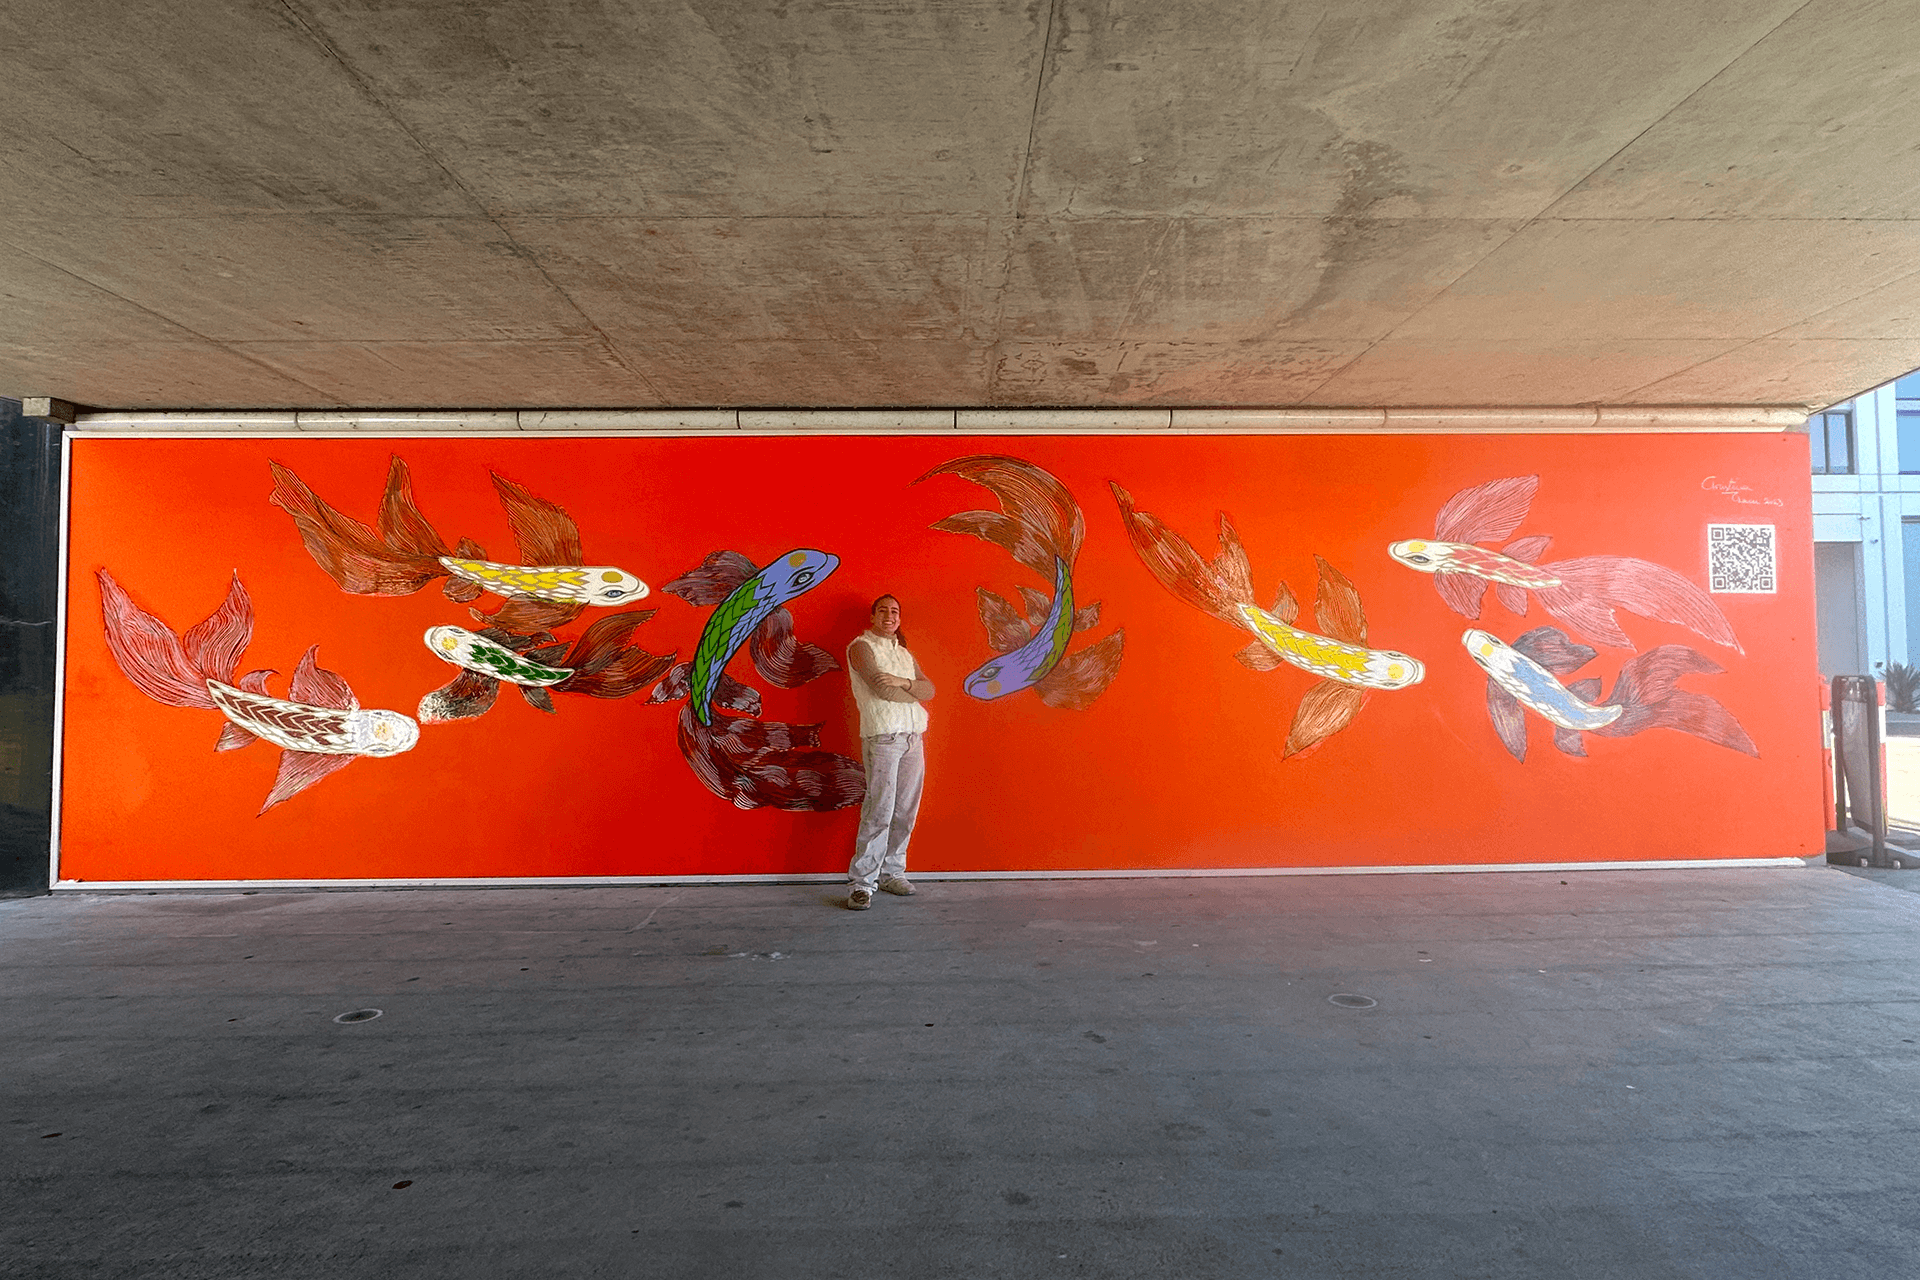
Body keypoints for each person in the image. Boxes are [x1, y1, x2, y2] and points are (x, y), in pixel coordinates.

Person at [844, 594, 935, 909]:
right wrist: (913, 687)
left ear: (899, 617)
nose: (889, 615)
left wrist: (901, 681)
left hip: (913, 737)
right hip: (882, 737)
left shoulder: (904, 654)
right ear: (872, 617)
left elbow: (930, 690)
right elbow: (881, 689)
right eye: (882, 610)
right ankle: (862, 883)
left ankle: (892, 873)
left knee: (906, 810)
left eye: (895, 611)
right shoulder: (861, 648)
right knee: (879, 809)